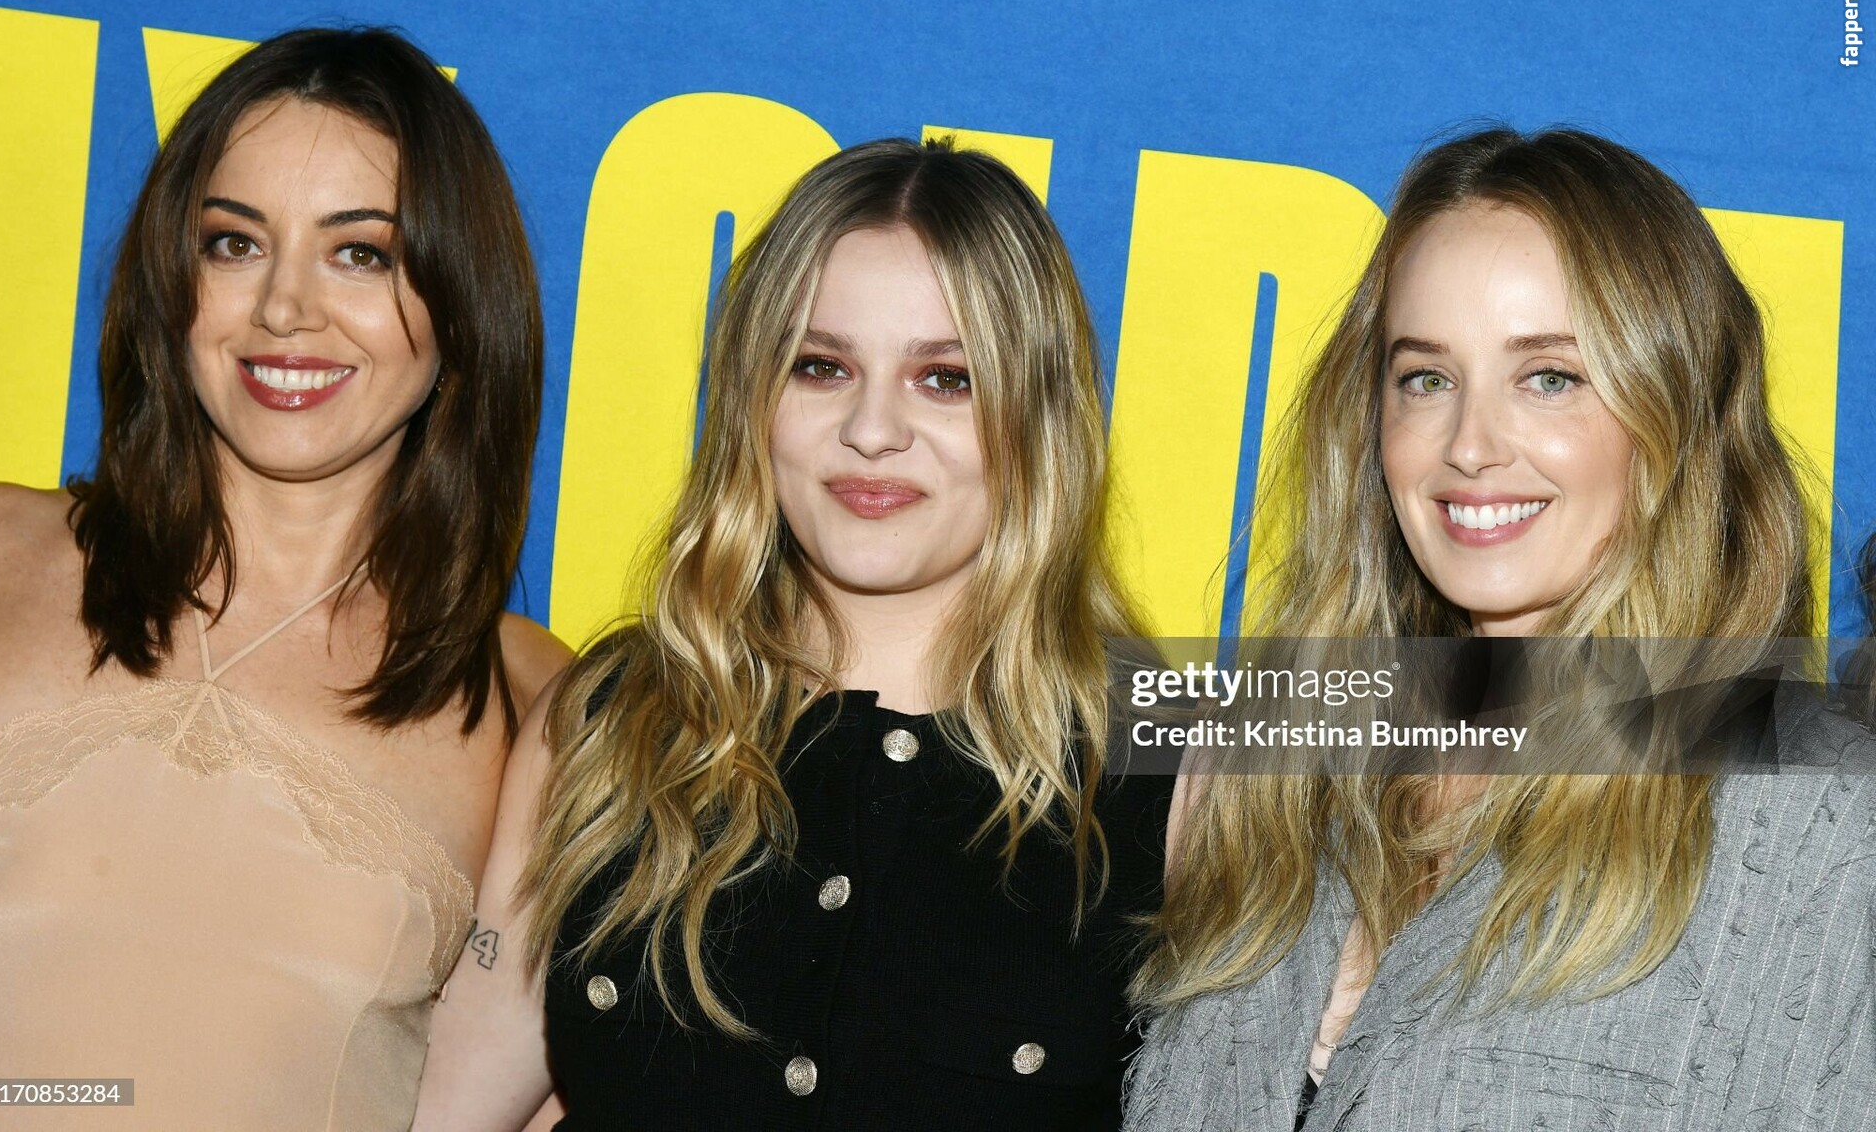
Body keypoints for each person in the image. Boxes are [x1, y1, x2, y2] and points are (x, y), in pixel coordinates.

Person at [413, 137, 1172, 1132]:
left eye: (946, 378)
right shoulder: (611, 712)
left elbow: (1403, 702)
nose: (872, 428)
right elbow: (452, 1101)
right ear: (753, 399)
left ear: (1039, 413)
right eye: (821, 367)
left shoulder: (1173, 729)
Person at [1124, 128, 1874, 1131]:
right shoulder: (1270, 773)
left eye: (1549, 376)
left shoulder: (1822, 822)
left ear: (1677, 409)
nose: (1469, 446)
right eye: (1426, 378)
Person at [0, 27, 569, 1129]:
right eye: (234, 243)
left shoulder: (535, 712)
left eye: (361, 254)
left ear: (460, 302)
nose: (286, 308)